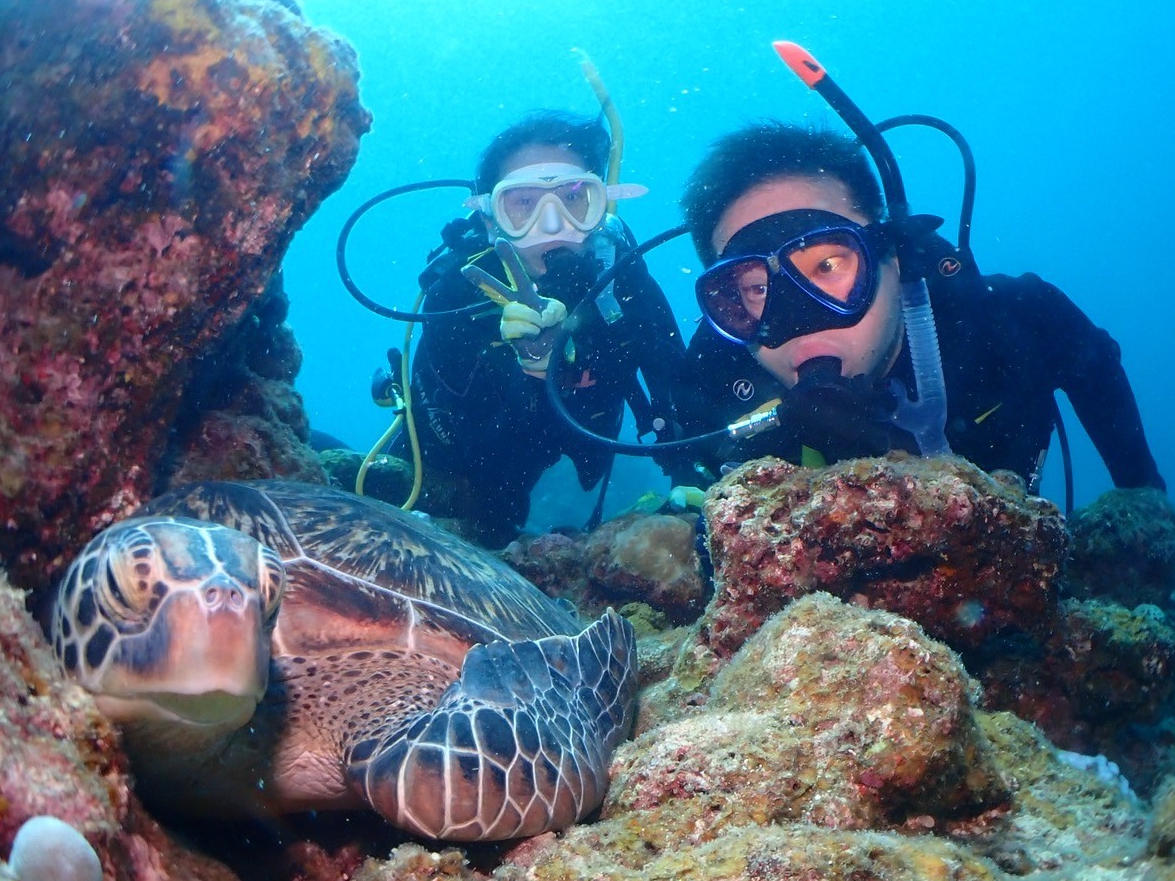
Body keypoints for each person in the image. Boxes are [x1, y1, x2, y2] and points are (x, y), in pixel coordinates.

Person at [672, 121, 1165, 496]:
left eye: (827, 265)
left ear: (893, 255)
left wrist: (1142, 498)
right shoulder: (715, 401)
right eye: (757, 289)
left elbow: (1097, 371)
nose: (799, 321)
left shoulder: (1012, 321)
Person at [400, 110, 684, 546]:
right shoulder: (460, 298)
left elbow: (681, 390)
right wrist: (534, 369)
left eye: (573, 197)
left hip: (586, 450)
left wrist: (693, 474)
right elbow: (489, 472)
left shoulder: (621, 276)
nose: (553, 226)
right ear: (491, 218)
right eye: (524, 204)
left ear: (600, 204)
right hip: (450, 471)